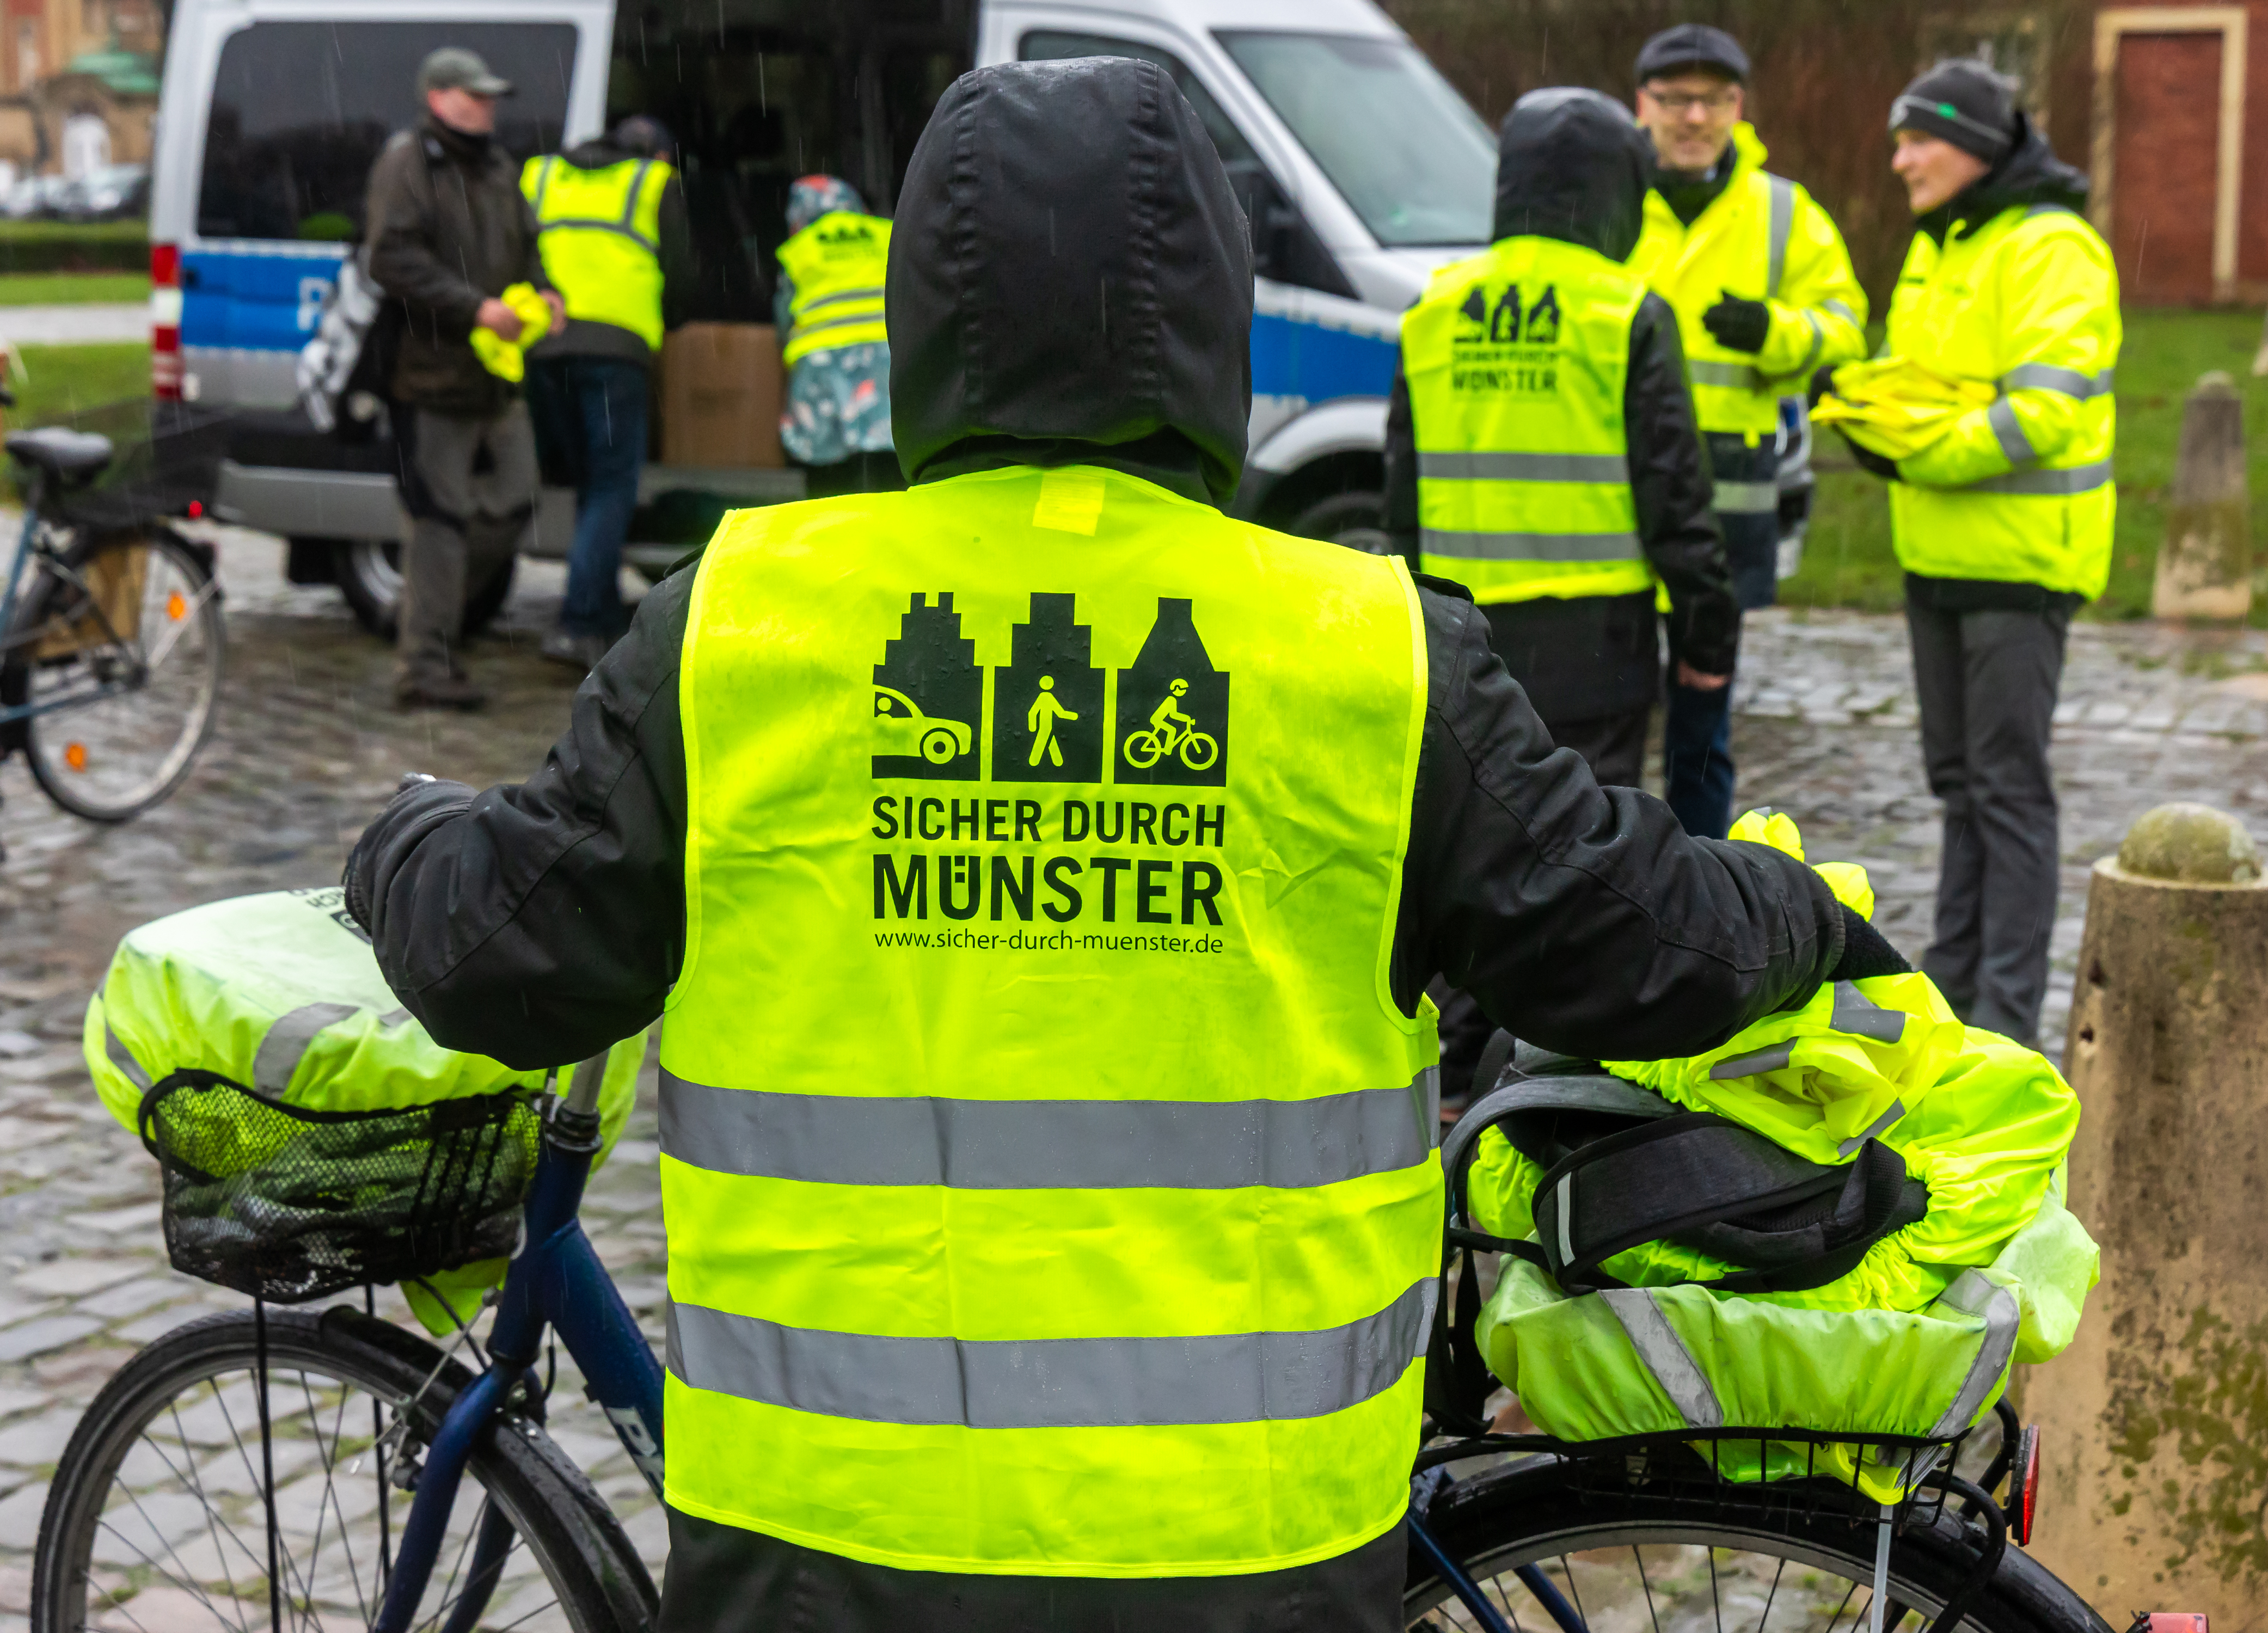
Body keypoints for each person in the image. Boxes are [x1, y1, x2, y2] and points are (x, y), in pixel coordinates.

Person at [345, 58, 1908, 1632]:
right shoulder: (1360, 649)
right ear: (1213, 319)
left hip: (828, 1543)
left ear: (920, 316)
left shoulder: (741, 621)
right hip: (1251, 1545)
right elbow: (1639, 947)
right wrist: (1795, 904)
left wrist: (401, 836)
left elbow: (493, 958)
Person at [1382, 86, 1737, 1104]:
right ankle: (1548, 1081)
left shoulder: (1434, 310)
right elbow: (1675, 492)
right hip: (1596, 638)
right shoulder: (1624, 311)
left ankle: (1453, 1077)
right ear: (1618, 191)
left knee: (1457, 849)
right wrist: (1707, 632)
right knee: (1577, 862)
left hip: (1458, 632)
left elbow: (1400, 493)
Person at [1829, 58, 2119, 1045]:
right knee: (1958, 785)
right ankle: (1952, 997)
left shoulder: (2052, 247)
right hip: (1938, 558)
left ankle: (2006, 1016)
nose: (1901, 160)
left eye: (1919, 140)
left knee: (2005, 790)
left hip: (2018, 564)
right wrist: (1855, 405)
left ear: (1976, 147)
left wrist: (1913, 456)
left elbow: (2043, 413)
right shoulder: (1941, 242)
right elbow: (1918, 384)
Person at [1627, 23, 1868, 840]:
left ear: (1737, 106)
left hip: (1723, 507)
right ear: (1643, 104)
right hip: (1615, 499)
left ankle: (1697, 875)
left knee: (1703, 720)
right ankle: (1611, 880)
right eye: (1676, 100)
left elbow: (1846, 327)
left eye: (1713, 100)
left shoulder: (1783, 211)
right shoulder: (1610, 194)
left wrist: (1775, 332)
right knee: (1610, 713)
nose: (1694, 118)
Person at [364, 46, 563, 711]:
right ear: (437, 98)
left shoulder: (500, 167)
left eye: (490, 97)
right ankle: (423, 666)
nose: (487, 107)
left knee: (514, 500)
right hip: (430, 382)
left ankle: (425, 612)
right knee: (438, 524)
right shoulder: (409, 163)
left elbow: (529, 246)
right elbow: (390, 258)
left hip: (494, 380)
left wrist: (545, 290)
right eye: (474, 96)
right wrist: (473, 307)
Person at [523, 114, 690, 674]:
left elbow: (513, 248)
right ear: (657, 155)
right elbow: (682, 272)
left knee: (585, 482)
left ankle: (593, 609)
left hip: (544, 345)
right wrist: (674, 321)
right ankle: (577, 624)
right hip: (617, 350)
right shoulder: (654, 182)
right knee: (611, 484)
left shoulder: (542, 173)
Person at [775, 174, 898, 496]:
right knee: (889, 455)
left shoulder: (799, 247)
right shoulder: (888, 233)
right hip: (886, 360)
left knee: (824, 463)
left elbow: (784, 316)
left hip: (820, 364)